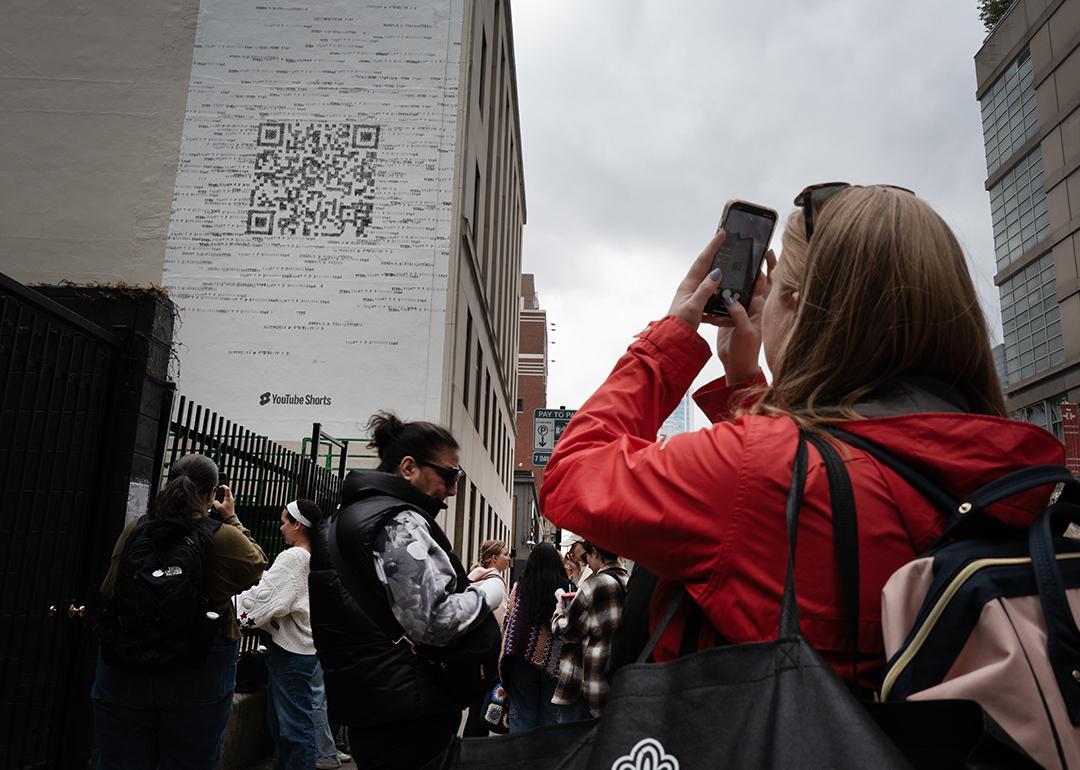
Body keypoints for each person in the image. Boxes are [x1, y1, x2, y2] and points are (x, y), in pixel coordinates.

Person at [539, 184, 1066, 690]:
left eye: (778, 290)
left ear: (796, 307)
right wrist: (745, 385)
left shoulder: (757, 469)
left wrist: (673, 336)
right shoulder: (1009, 473)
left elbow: (571, 471)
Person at [310, 412, 502, 770]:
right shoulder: (396, 520)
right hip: (408, 710)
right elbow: (434, 619)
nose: (453, 488)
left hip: (374, 701)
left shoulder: (345, 518)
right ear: (409, 467)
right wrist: (490, 592)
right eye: (449, 474)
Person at [92, 454, 267, 770]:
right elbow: (256, 565)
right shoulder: (222, 536)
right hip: (198, 669)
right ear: (214, 491)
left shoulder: (137, 528)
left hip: (126, 667)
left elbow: (110, 588)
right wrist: (230, 518)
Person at [235, 499, 350, 770]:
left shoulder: (294, 556)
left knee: (292, 728)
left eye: (285, 521)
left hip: (291, 652)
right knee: (293, 723)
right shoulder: (316, 557)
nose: (281, 527)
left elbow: (268, 598)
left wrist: (230, 608)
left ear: (299, 524)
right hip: (306, 650)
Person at [550, 540, 629, 720]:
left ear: (594, 552)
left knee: (574, 742)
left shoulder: (595, 584)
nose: (586, 563)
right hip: (616, 678)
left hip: (588, 681)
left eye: (586, 557)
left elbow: (566, 631)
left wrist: (559, 611)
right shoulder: (627, 580)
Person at [499, 543, 573, 732]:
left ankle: (521, 760)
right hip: (555, 664)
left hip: (520, 659)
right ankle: (547, 760)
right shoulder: (565, 589)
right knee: (551, 718)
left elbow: (509, 622)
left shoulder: (520, 587)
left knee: (522, 716)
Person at [462, 538, 510, 737]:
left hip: (473, 651)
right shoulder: (494, 583)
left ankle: (470, 745)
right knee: (483, 705)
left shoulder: (472, 578)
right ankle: (475, 750)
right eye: (505, 554)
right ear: (493, 558)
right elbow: (501, 621)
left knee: (476, 702)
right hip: (489, 652)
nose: (508, 558)